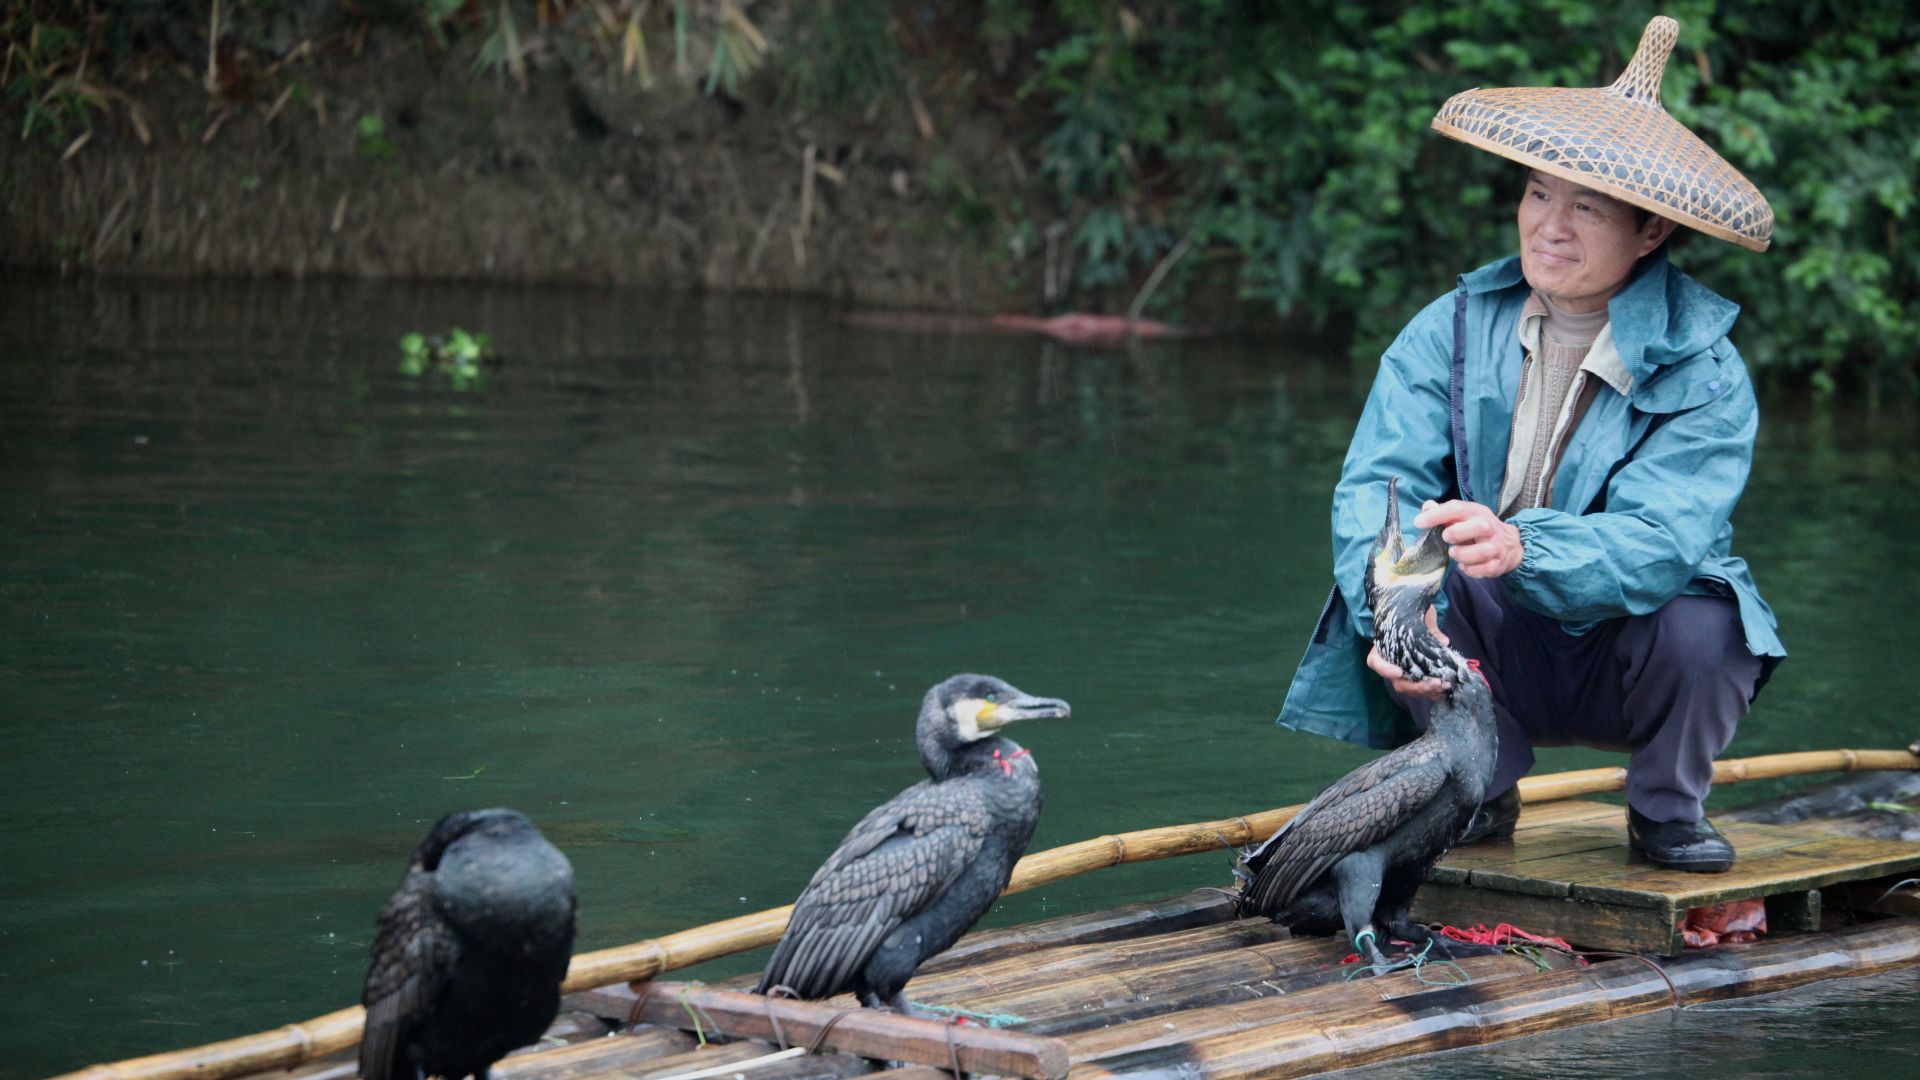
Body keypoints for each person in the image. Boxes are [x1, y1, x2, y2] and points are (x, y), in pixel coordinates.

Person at [1277, 16, 1784, 873]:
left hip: (1627, 638)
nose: (1550, 225)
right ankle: (1478, 787)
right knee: (1419, 590)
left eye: (1586, 207)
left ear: (1650, 233)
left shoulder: (1709, 369)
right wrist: (1391, 612)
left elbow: (1661, 542)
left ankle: (1665, 812)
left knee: (1711, 625)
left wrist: (1521, 544)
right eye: (1539, 194)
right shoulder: (1452, 326)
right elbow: (1380, 483)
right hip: (1494, 636)